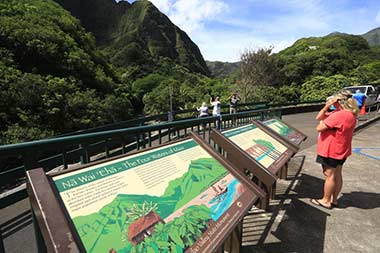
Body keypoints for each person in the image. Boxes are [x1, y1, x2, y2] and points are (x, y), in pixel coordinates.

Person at [310, 90, 359, 209]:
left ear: (339, 101)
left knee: (329, 175)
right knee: (337, 174)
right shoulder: (350, 114)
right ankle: (334, 199)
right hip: (342, 149)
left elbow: (319, 127)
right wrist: (327, 106)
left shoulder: (339, 115)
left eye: (334, 100)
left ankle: (326, 200)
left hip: (331, 150)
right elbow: (319, 117)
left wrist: (327, 111)